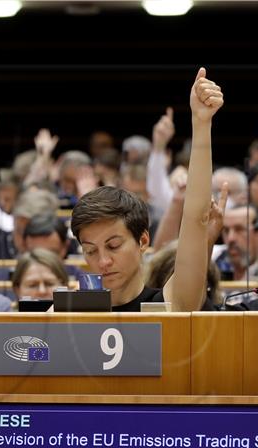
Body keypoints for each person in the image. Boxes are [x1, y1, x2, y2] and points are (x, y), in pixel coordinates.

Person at [70, 68, 224, 312]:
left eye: (113, 246)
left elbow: (197, 218)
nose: (103, 262)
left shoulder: (169, 304)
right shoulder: (70, 311)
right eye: (90, 250)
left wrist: (201, 123)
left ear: (143, 240)